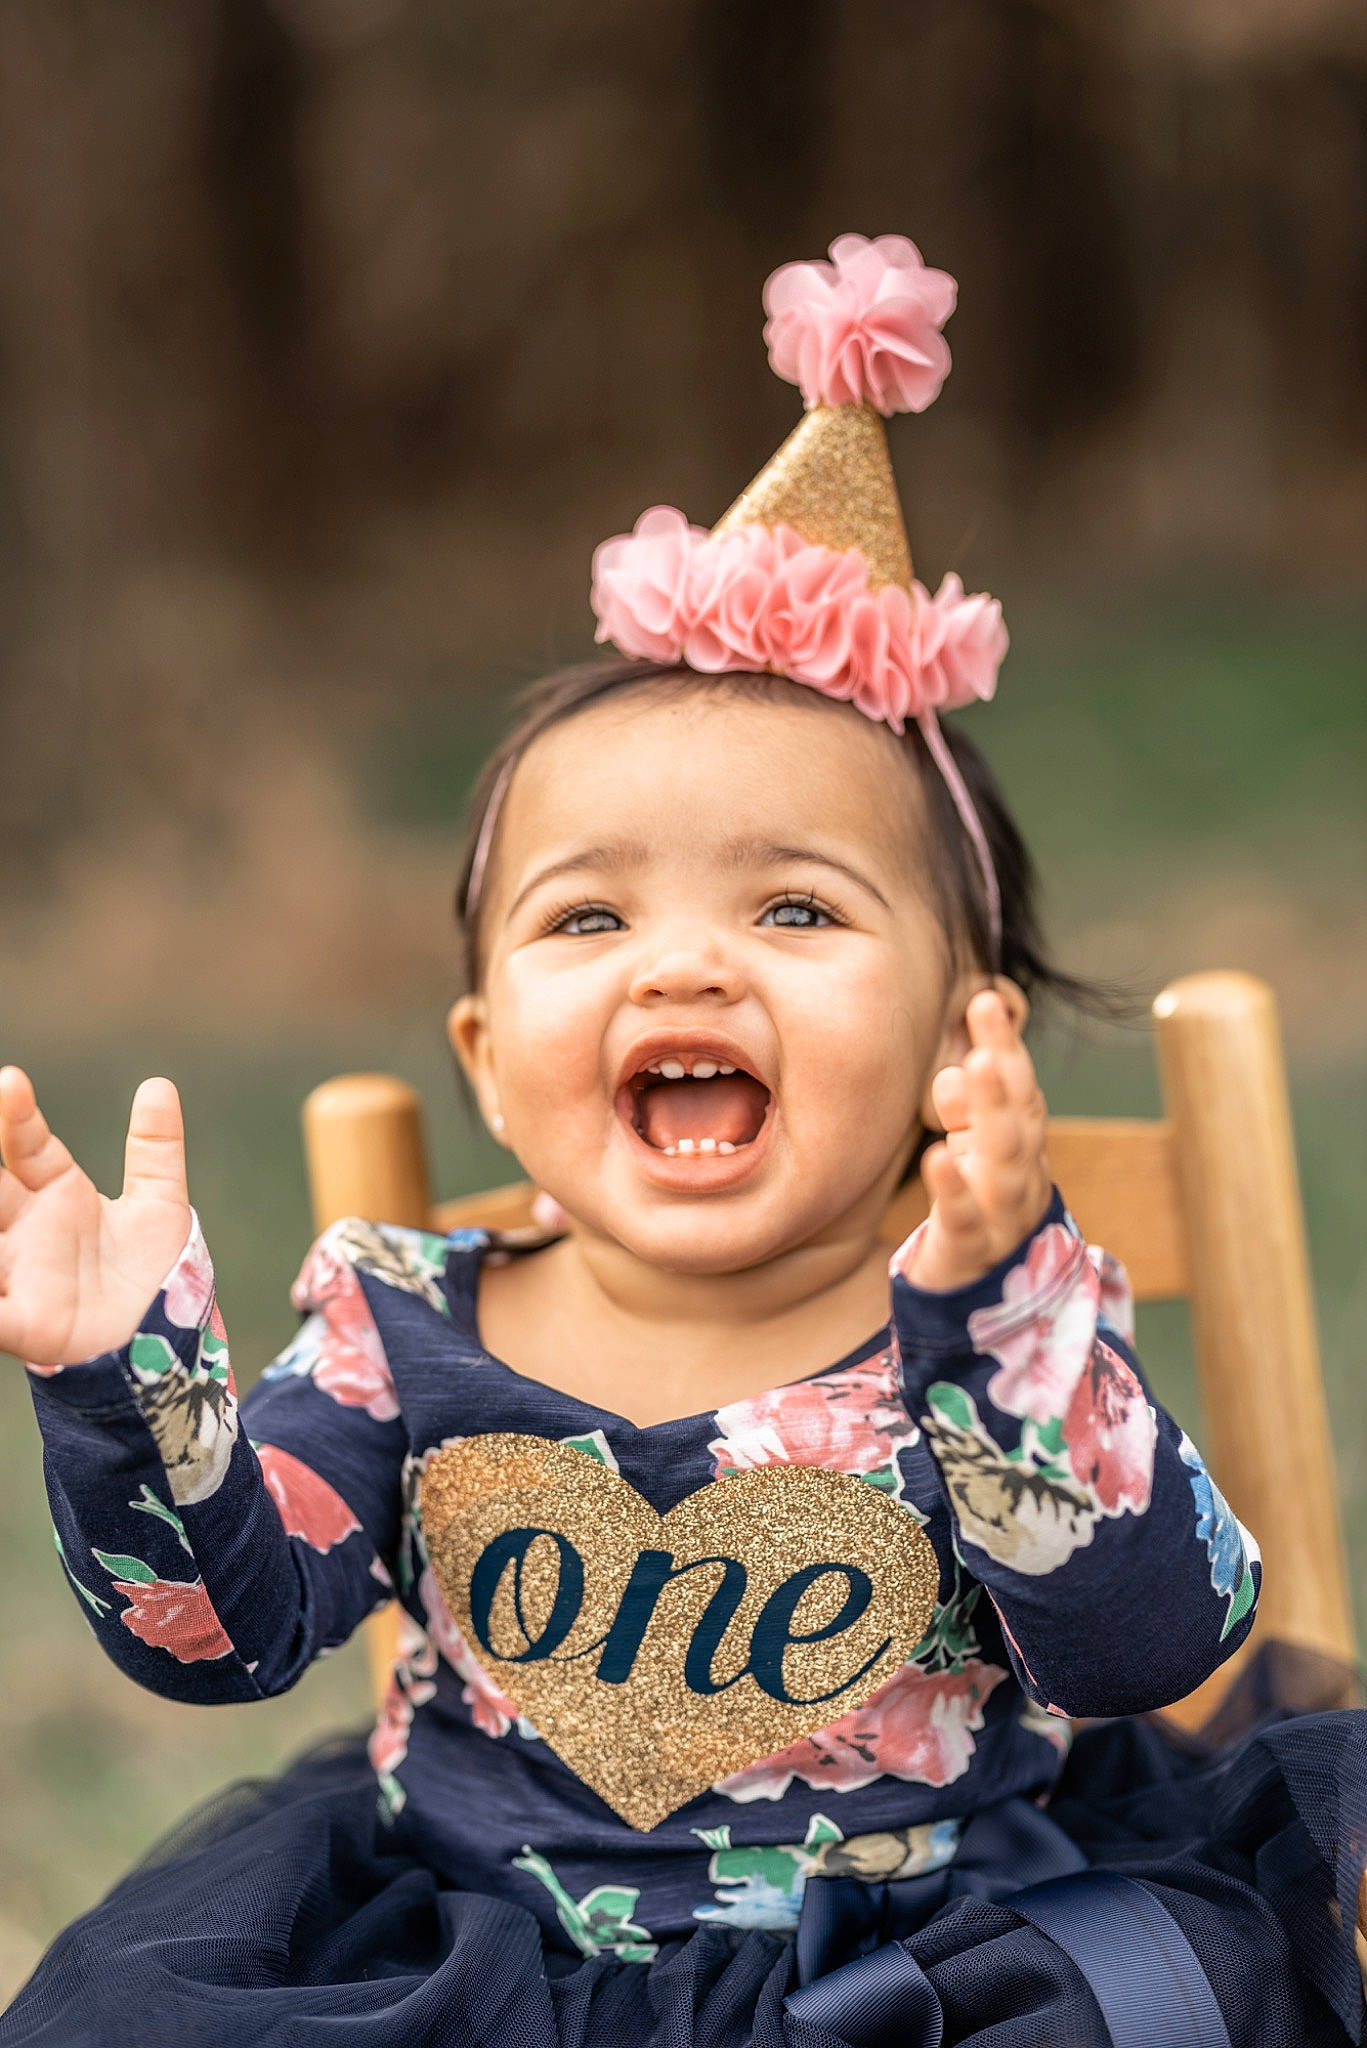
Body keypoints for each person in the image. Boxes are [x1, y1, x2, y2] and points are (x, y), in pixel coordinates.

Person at [0, 235, 1362, 2048]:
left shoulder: (995, 1330)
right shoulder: (398, 1321)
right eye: (589, 921)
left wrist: (1000, 1318)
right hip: (474, 1966)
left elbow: (1147, 1646)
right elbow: (221, 1634)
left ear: (970, 1034)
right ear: (490, 1058)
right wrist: (122, 1388)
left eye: (796, 910)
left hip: (942, 1965)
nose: (690, 961)